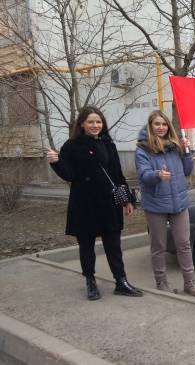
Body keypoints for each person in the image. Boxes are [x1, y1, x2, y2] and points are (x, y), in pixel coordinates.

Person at [47, 106, 143, 301]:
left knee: (114, 245)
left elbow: (117, 175)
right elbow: (70, 175)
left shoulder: (109, 144)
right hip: (85, 204)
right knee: (86, 246)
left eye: (98, 122)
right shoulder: (72, 145)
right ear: (82, 124)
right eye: (90, 122)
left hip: (109, 204)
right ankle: (90, 282)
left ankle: (121, 282)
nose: (95, 125)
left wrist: (128, 200)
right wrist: (56, 162)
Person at [134, 110, 195, 296]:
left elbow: (187, 171)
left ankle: (190, 282)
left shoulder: (175, 146)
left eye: (164, 124)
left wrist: (186, 150)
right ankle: (161, 282)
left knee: (184, 244)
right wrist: (157, 175)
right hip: (156, 204)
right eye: (157, 124)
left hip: (179, 203)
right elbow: (144, 175)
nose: (161, 128)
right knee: (159, 246)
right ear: (150, 126)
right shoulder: (143, 149)